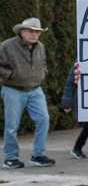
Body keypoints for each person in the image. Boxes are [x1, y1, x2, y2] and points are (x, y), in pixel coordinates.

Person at [0, 17, 55, 169]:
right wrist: (9, 75)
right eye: (31, 31)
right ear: (22, 32)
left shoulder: (41, 47)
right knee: (12, 126)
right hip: (13, 89)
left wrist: (42, 73)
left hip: (36, 89)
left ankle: (38, 155)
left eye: (37, 32)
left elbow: (43, 63)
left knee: (43, 120)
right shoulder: (6, 46)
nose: (34, 35)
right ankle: (11, 158)